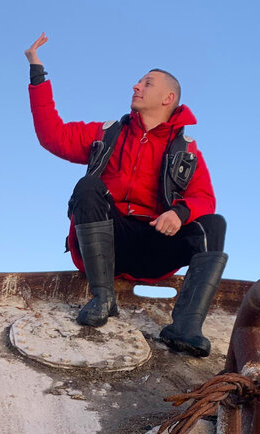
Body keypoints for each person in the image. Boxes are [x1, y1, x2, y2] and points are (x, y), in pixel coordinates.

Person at [26, 33, 227, 357]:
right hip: (106, 242)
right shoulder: (106, 133)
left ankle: (186, 327)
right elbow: (53, 135)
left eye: (147, 83)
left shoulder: (187, 151)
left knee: (213, 224)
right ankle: (103, 298)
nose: (136, 86)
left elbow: (205, 198)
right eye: (138, 82)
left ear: (167, 97)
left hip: (153, 243)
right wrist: (37, 74)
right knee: (88, 185)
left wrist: (179, 213)